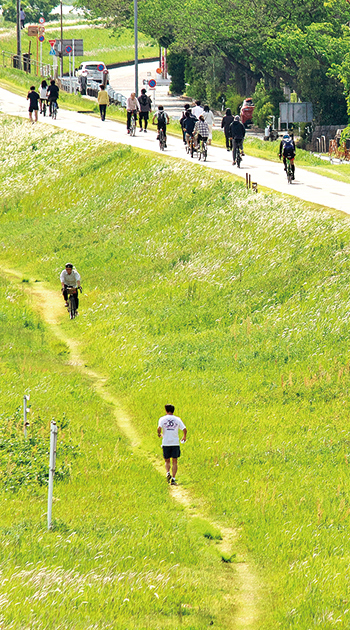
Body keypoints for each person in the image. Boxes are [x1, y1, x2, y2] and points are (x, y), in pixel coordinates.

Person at [157, 404, 187, 486]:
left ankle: (167, 473)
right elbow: (184, 429)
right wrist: (184, 437)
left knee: (167, 460)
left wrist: (159, 434)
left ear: (166, 410)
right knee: (175, 461)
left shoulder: (162, 419)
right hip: (175, 442)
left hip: (166, 442)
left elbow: (159, 428)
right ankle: (173, 478)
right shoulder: (177, 419)